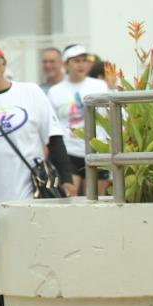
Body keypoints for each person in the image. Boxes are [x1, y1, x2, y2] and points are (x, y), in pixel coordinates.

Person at [0, 42, 68, 306]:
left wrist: (68, 179)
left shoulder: (30, 93)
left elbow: (54, 136)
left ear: (2, 63)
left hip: (30, 190)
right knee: (1, 261)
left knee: (36, 254)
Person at [48, 45, 109, 195]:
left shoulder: (99, 85)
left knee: (96, 200)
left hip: (96, 149)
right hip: (69, 150)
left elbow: (108, 115)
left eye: (84, 60)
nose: (81, 65)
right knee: (71, 198)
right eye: (76, 61)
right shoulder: (55, 91)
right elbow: (52, 123)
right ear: (65, 64)